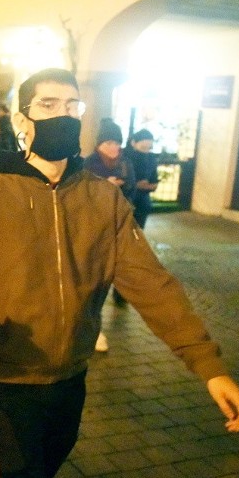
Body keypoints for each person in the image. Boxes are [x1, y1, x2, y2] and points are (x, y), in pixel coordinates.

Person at [0, 68, 239, 478]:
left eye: (72, 106)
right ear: (21, 121)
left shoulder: (104, 200)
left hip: (70, 380)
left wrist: (207, 364)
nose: (63, 115)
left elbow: (153, 285)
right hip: (8, 381)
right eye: (48, 105)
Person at [84, 117, 138, 334]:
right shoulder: (90, 163)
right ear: (99, 145)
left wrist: (124, 187)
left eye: (117, 143)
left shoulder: (125, 162)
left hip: (120, 220)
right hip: (96, 223)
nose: (114, 148)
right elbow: (84, 191)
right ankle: (92, 317)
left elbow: (132, 185)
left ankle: (120, 293)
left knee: (121, 261)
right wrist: (106, 186)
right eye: (109, 143)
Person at [126, 128, 159, 229]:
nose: (146, 151)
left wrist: (150, 186)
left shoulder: (151, 159)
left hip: (142, 202)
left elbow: (154, 180)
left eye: (149, 148)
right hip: (126, 200)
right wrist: (135, 184)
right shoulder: (124, 157)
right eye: (143, 147)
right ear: (133, 143)